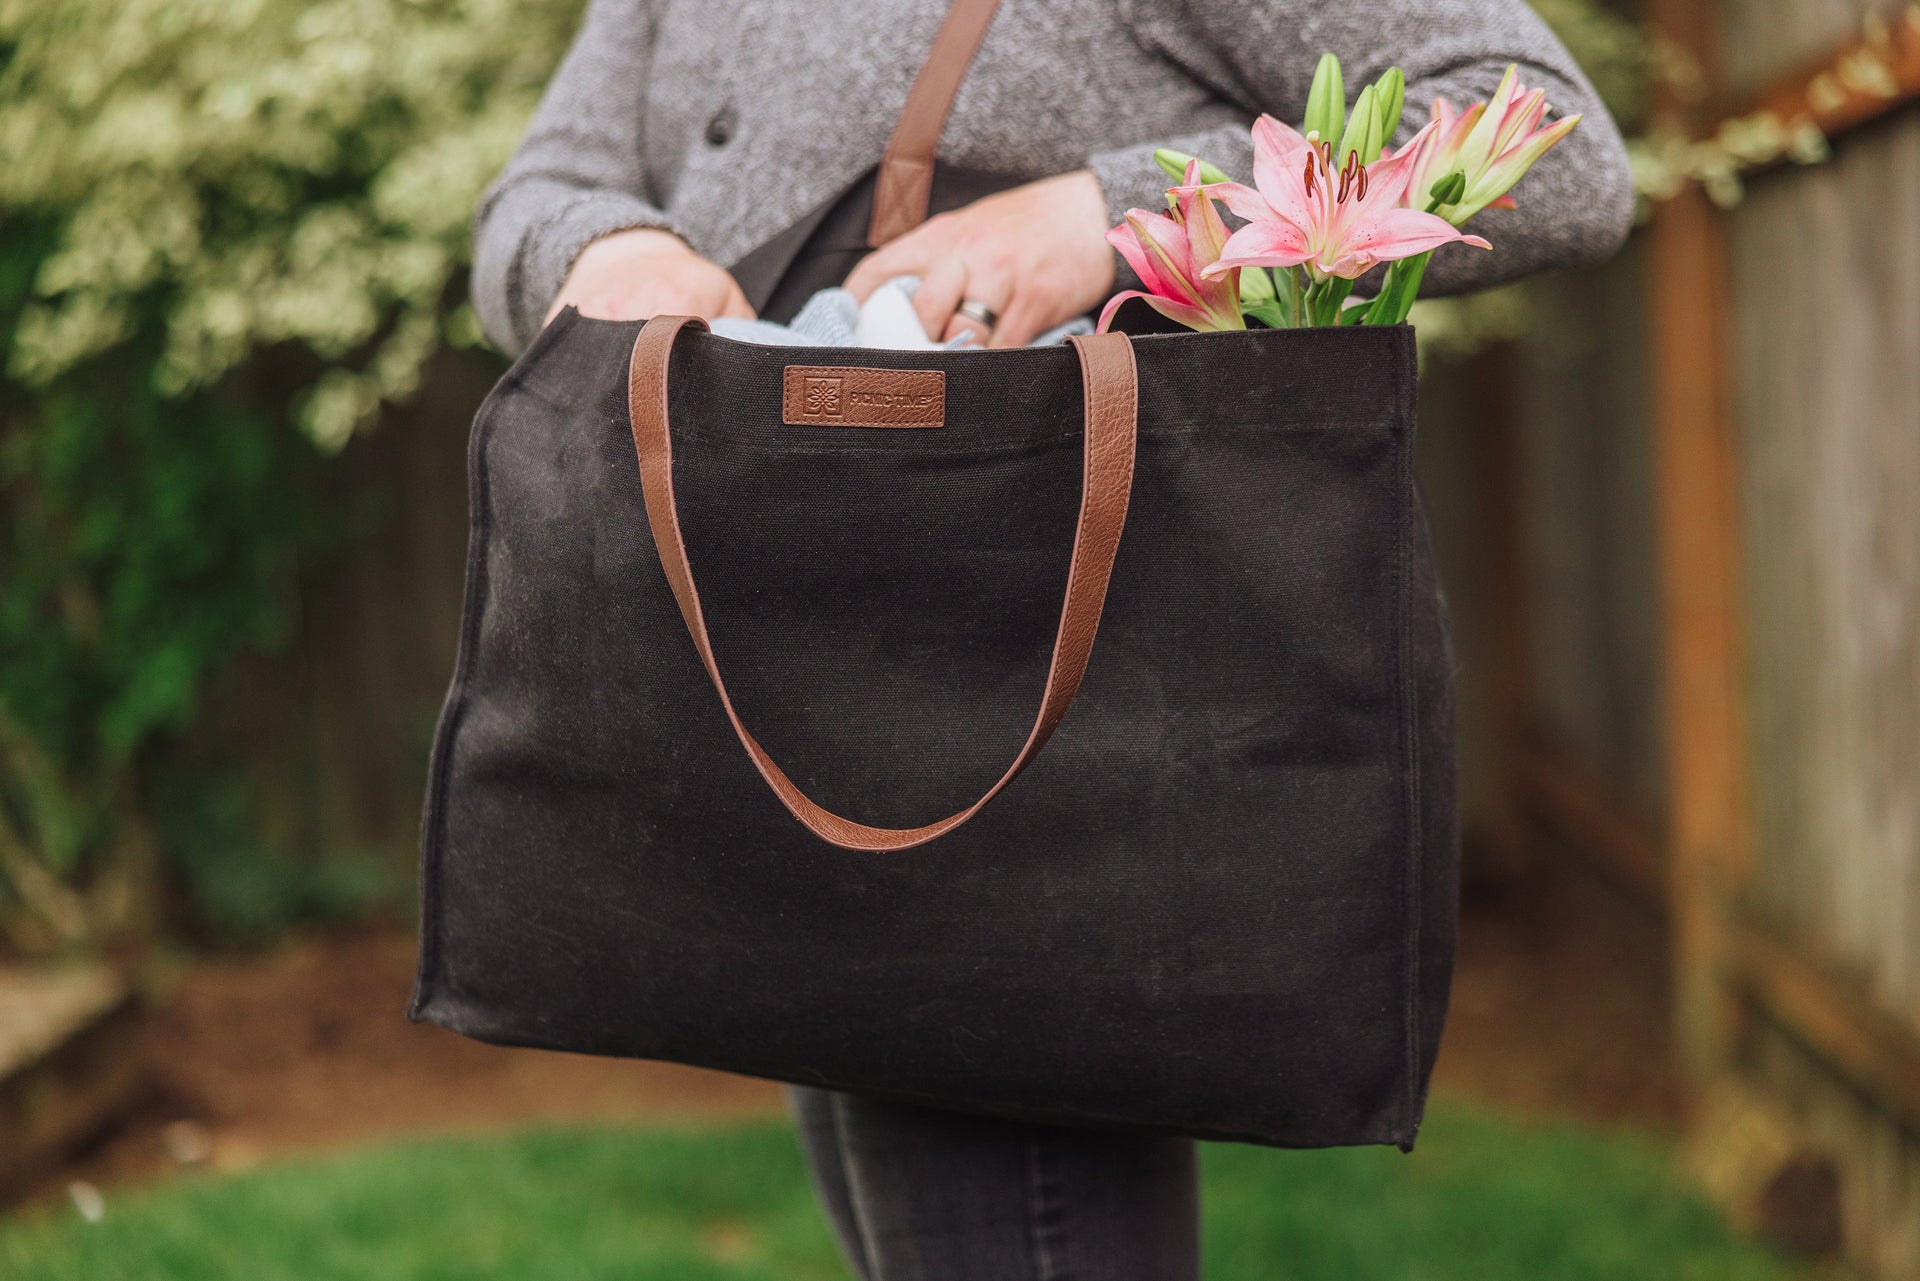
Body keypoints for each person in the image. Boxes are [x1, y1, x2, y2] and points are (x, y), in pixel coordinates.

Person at [470, 1, 1633, 1276]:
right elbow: (543, 187)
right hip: (781, 628)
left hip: (1022, 670)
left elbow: (1550, 140)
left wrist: (1105, 218)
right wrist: (607, 247)